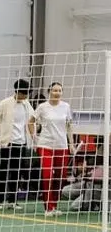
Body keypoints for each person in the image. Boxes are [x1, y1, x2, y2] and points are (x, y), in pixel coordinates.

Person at [0, 78, 37, 211]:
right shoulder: (6, 103)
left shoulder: (27, 105)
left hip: (21, 143)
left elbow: (33, 119)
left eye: (26, 94)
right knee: (3, 171)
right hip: (7, 143)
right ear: (17, 91)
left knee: (17, 172)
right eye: (23, 93)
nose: (25, 96)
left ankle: (12, 200)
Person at [32, 81, 75, 217]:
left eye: (59, 91)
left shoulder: (66, 106)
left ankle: (54, 205)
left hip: (62, 146)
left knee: (61, 176)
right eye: (54, 90)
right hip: (45, 145)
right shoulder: (42, 107)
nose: (57, 93)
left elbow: (69, 126)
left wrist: (71, 144)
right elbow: (30, 121)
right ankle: (48, 207)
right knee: (47, 175)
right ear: (49, 91)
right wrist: (35, 139)